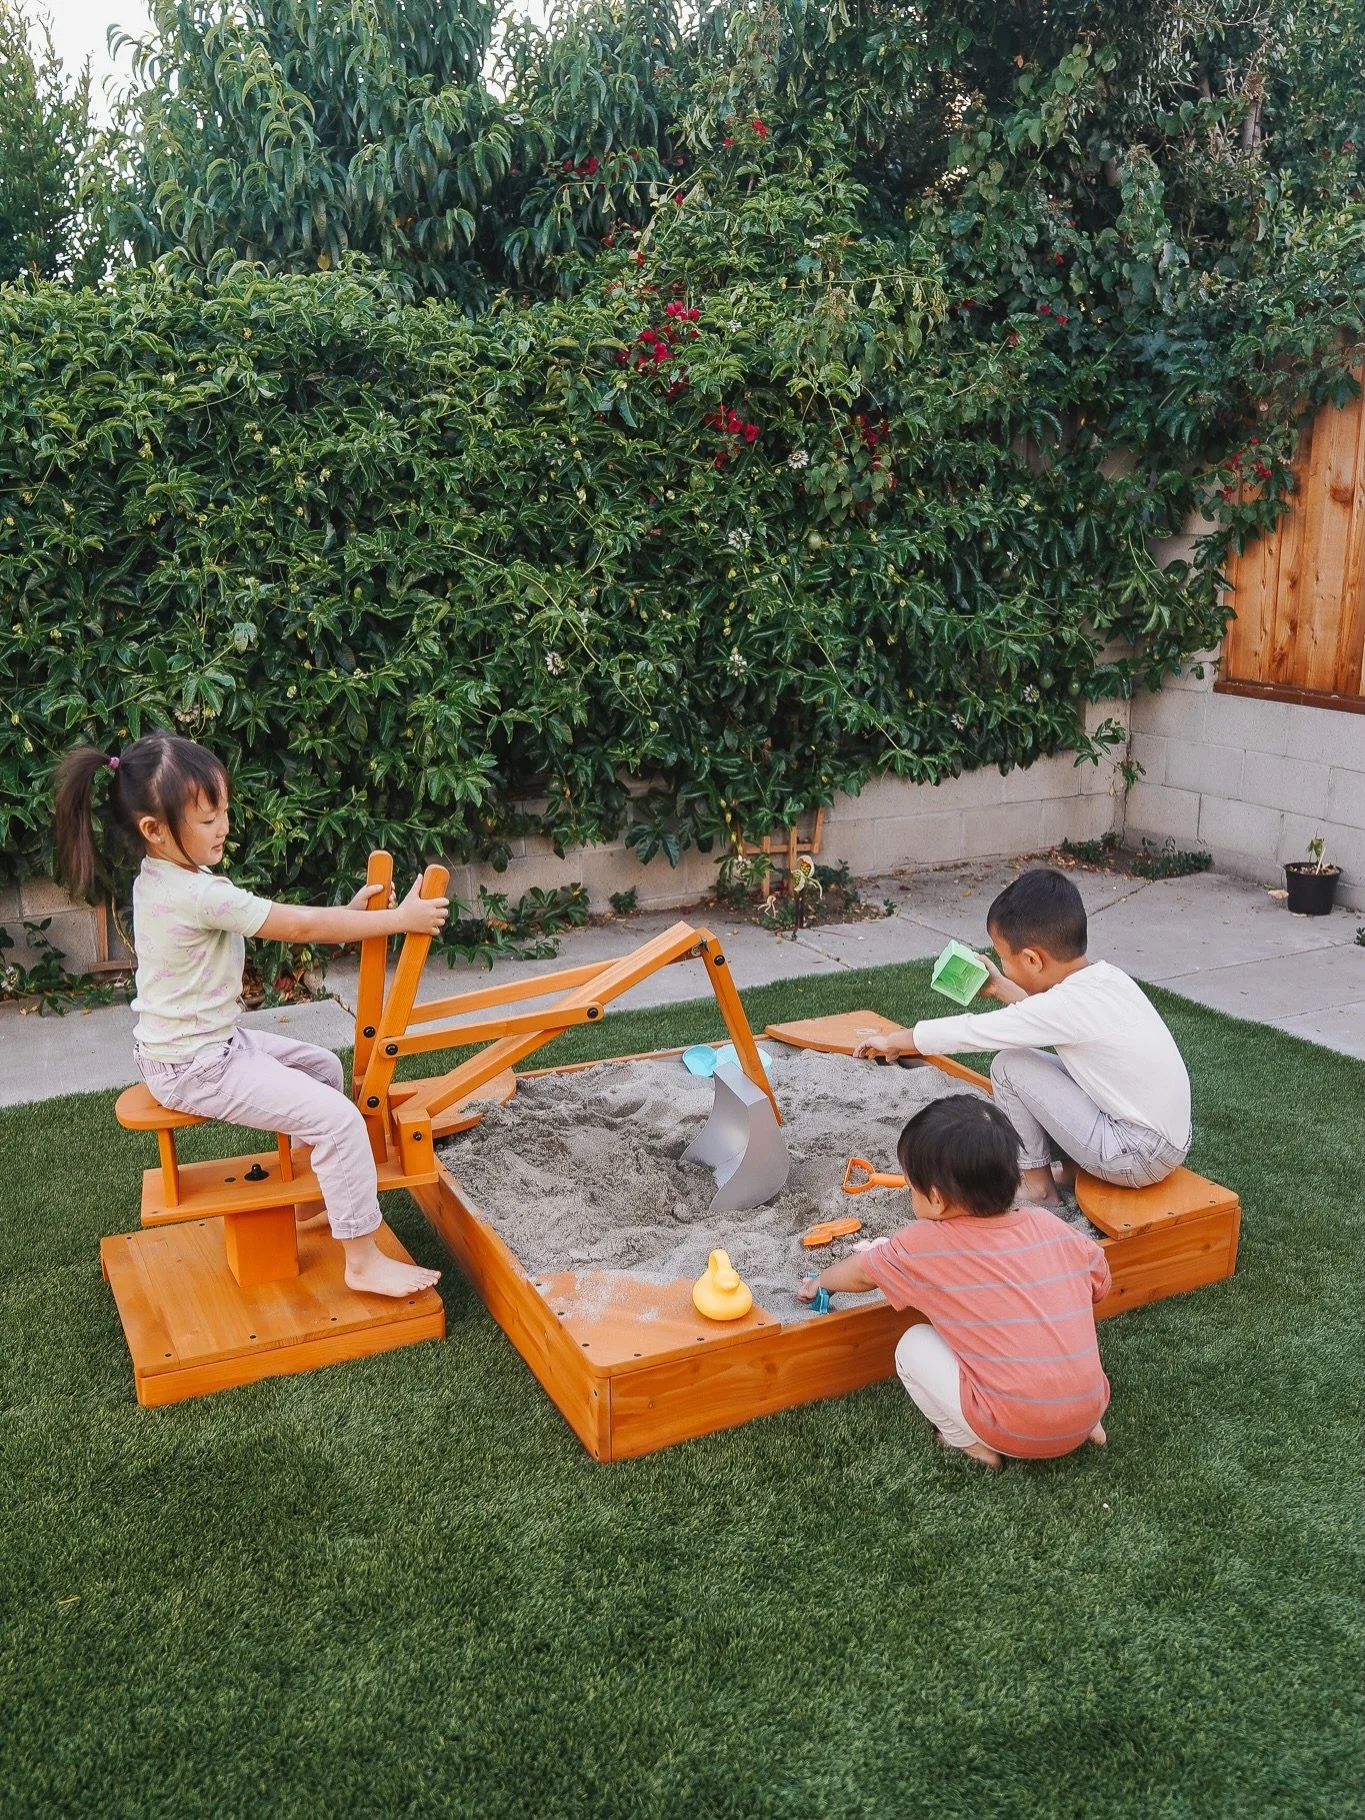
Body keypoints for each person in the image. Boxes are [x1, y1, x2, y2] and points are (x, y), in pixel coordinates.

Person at [54, 733, 449, 1299]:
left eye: (225, 812)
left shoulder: (167, 877)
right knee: (338, 1120)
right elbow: (298, 927)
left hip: (203, 1046)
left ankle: (319, 1193)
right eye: (208, 817)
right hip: (196, 1065)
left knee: (320, 1069)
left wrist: (346, 914)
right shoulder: (197, 895)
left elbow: (295, 920)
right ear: (155, 829)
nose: (223, 827)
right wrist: (400, 919)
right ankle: (362, 1259)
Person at [797, 1095, 1111, 1469]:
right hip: (1090, 1406)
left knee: (911, 1345)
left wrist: (822, 1285)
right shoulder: (1051, 1227)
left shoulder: (922, 1244)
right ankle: (1084, 1424)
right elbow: (1100, 1284)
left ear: (936, 1200)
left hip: (1012, 1427)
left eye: (911, 1186)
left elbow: (864, 1272)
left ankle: (972, 1444)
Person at [854, 867, 1190, 1208]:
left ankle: (1038, 1189)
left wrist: (896, 1040)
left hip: (1135, 1154)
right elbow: (1047, 1017)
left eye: (1004, 957)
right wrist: (1001, 985)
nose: (1002, 964)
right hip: (1162, 1140)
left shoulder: (1065, 1007)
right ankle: (1073, 1173)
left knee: (1010, 1065)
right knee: (1057, 1065)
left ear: (1032, 959)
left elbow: (972, 1032)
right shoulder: (1104, 979)